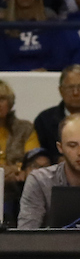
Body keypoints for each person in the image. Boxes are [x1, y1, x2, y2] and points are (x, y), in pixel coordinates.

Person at [0, 0, 64, 71]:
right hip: (14, 81)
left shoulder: (51, 24)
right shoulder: (4, 28)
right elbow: (3, 64)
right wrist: (27, 73)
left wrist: (45, 69)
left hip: (47, 79)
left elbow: (60, 59)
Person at [0, 78, 40, 224]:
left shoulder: (25, 128)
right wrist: (12, 169)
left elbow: (33, 162)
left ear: (10, 103)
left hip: (17, 192)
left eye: (2, 99)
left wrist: (16, 169)